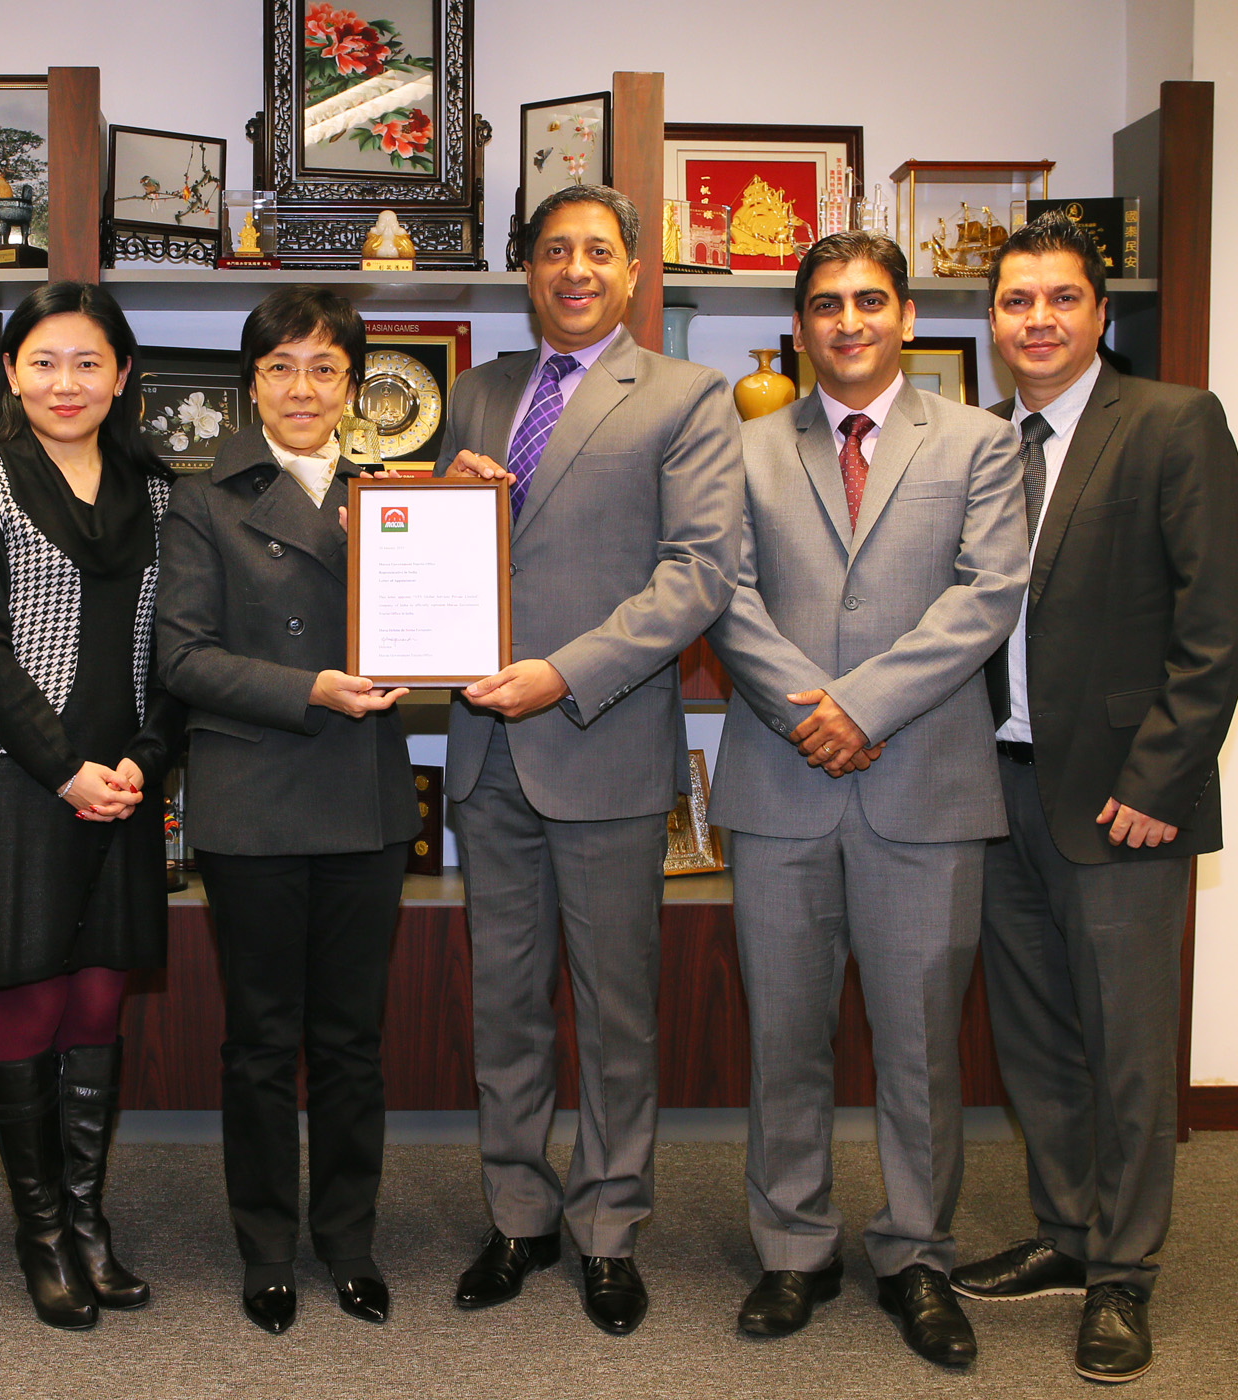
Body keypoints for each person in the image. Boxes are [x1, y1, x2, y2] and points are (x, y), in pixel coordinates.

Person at [704, 230, 1027, 1367]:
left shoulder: (980, 440)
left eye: (871, 300)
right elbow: (722, 591)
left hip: (925, 782)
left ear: (906, 316)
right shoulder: (743, 446)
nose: (849, 321)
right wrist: (813, 710)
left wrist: (862, 705)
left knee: (922, 1043)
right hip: (781, 776)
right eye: (828, 304)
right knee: (784, 1034)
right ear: (799, 327)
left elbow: (988, 593)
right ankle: (793, 1247)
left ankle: (916, 1254)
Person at [952, 215, 1238, 1384]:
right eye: (1016, 300)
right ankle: (1068, 1231)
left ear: (1100, 310)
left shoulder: (1173, 422)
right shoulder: (982, 442)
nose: (1038, 319)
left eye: (1061, 298)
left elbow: (1219, 614)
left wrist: (1161, 777)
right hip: (999, 787)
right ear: (993, 320)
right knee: (1036, 1035)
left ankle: (1124, 1273)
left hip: (1125, 799)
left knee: (1127, 1045)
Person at [436, 186, 743, 1336]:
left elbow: (697, 574)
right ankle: (518, 1215)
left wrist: (562, 672)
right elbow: (441, 557)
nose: (575, 268)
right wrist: (441, 503)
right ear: (527, 269)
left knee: (617, 1011)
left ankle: (610, 1225)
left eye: (597, 251)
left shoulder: (686, 395)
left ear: (633, 270)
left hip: (598, 738)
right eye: (554, 250)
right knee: (505, 1002)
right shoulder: (478, 390)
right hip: (487, 753)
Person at [157, 285, 419, 1334]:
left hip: (363, 795)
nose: (302, 387)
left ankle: (349, 1239)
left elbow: (440, 617)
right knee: (263, 1039)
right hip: (255, 795)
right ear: (251, 382)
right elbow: (182, 658)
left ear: (353, 385)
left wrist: (449, 523)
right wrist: (307, 688)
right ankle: (266, 1246)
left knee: (352, 1039)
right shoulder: (202, 501)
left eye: (324, 367)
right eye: (280, 367)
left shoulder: (392, 493)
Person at [0, 282, 182, 1330]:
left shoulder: (159, 488)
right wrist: (65, 768)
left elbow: (178, 642)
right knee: (32, 1001)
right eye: (43, 361)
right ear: (11, 373)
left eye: (88, 362)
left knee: (98, 1001)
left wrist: (142, 761)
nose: (65, 382)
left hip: (126, 780)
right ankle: (39, 1231)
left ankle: (87, 1219)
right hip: (20, 776)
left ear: (122, 375)